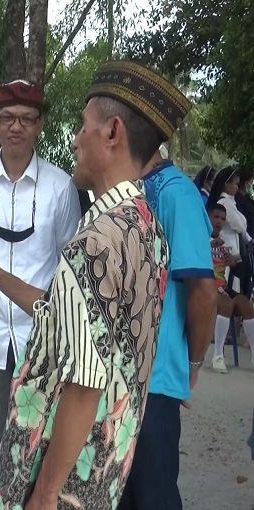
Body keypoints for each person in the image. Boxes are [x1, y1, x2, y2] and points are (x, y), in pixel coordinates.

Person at [0, 60, 171, 509]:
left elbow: (85, 381)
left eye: (82, 126)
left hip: (75, 471)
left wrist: (47, 491)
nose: (75, 138)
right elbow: (70, 312)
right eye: (7, 117)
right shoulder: (146, 225)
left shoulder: (92, 242)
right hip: (110, 460)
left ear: (112, 132)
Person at [0, 79, 81, 510]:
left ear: (39, 125)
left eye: (27, 119)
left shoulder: (60, 187)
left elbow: (69, 265)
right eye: (8, 118)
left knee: (41, 447)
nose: (16, 127)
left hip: (43, 340)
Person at [127, 80, 216, 509]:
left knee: (154, 496)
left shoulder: (177, 194)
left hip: (155, 384)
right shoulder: (127, 190)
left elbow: (203, 291)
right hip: (118, 380)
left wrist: (192, 364)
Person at [209, 203, 254, 372]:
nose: (219, 221)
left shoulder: (226, 242)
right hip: (205, 287)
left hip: (223, 287)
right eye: (216, 217)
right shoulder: (199, 239)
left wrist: (233, 264)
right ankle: (217, 355)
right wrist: (209, 248)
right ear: (208, 218)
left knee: (246, 305)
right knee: (227, 304)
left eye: (222, 219)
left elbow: (242, 273)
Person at [208, 166, 253, 296]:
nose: (237, 187)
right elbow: (241, 226)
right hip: (228, 254)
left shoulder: (231, 202)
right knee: (232, 289)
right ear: (226, 184)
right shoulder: (225, 203)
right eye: (235, 184)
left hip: (233, 252)